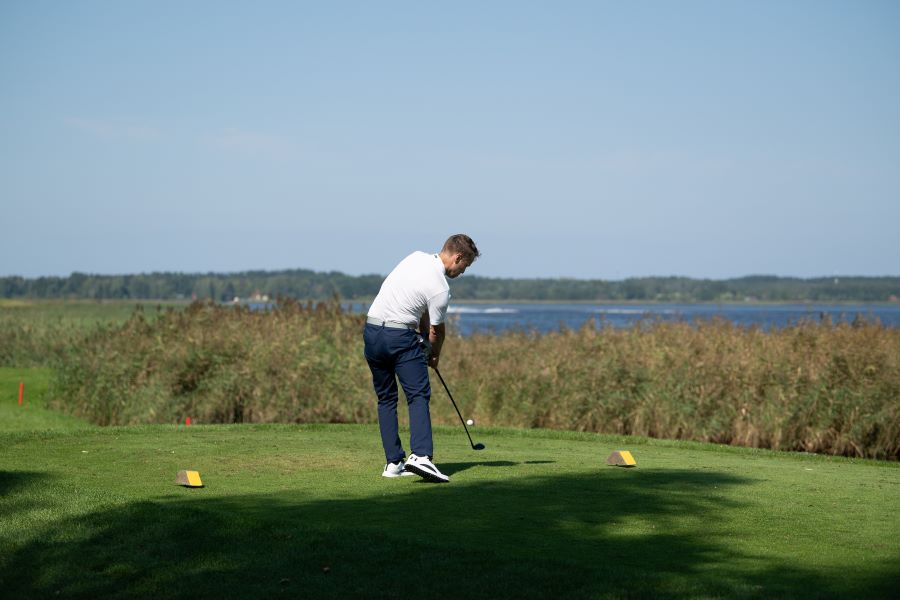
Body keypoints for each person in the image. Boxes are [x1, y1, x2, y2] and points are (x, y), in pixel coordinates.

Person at [363, 234, 480, 483]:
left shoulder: (415, 257)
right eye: (465, 266)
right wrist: (434, 353)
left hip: (372, 332)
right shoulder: (441, 287)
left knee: (386, 398)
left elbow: (421, 310)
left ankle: (393, 463)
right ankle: (421, 456)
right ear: (458, 257)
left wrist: (425, 343)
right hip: (399, 338)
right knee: (418, 395)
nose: (462, 272)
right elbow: (437, 330)